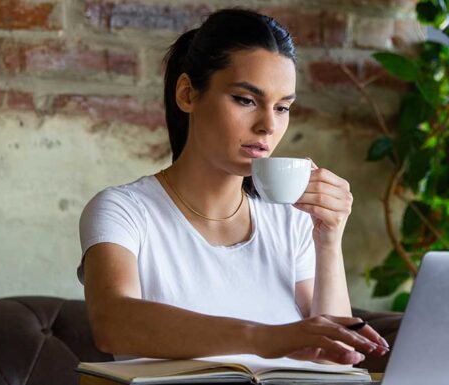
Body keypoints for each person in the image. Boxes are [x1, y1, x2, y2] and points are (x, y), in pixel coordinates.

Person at [77, 8, 388, 365]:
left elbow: (338, 359)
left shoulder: (292, 222)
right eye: (246, 100)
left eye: (283, 107)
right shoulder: (124, 211)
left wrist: (329, 240)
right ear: (187, 94)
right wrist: (262, 338)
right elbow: (113, 321)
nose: (268, 126)